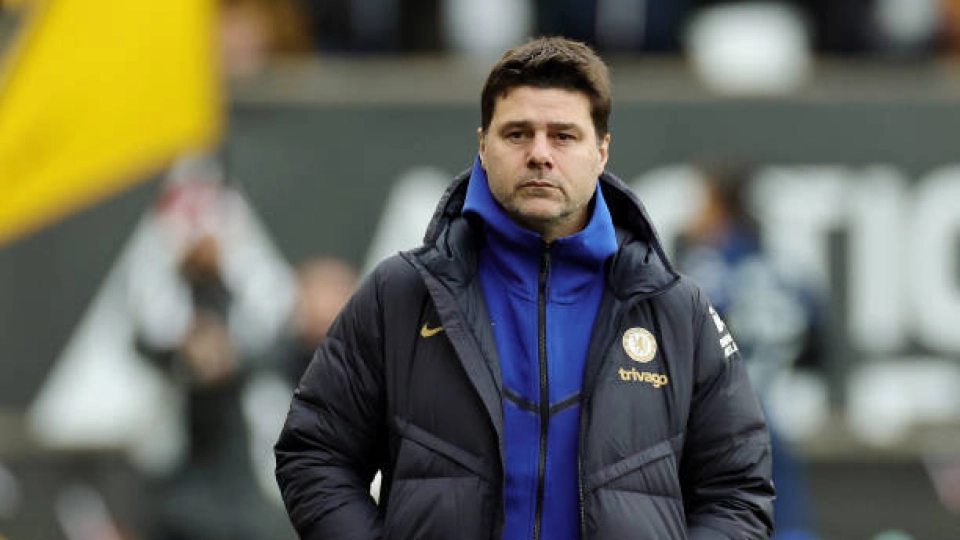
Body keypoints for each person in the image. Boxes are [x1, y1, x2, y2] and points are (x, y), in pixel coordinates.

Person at [275, 36, 774, 540]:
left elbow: (738, 490)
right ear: (482, 145)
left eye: (563, 136)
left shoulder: (674, 307)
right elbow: (314, 454)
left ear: (601, 151)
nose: (539, 154)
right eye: (517, 134)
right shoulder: (401, 293)